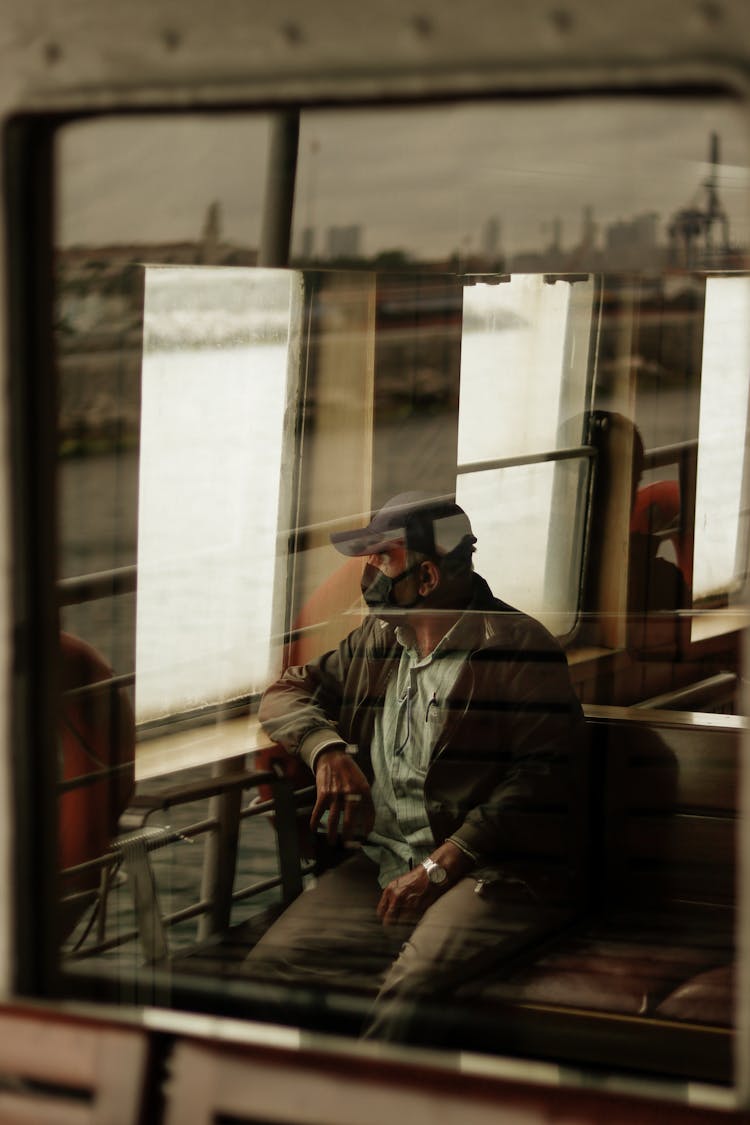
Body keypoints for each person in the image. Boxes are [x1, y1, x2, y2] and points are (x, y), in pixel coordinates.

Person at [245, 492, 586, 1042]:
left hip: (493, 872)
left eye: (382, 559)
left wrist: (441, 866)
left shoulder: (521, 650)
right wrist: (325, 749)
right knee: (267, 973)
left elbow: (543, 777)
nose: (368, 572)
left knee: (411, 991)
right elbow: (288, 692)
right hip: (387, 861)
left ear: (426, 578)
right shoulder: (379, 640)